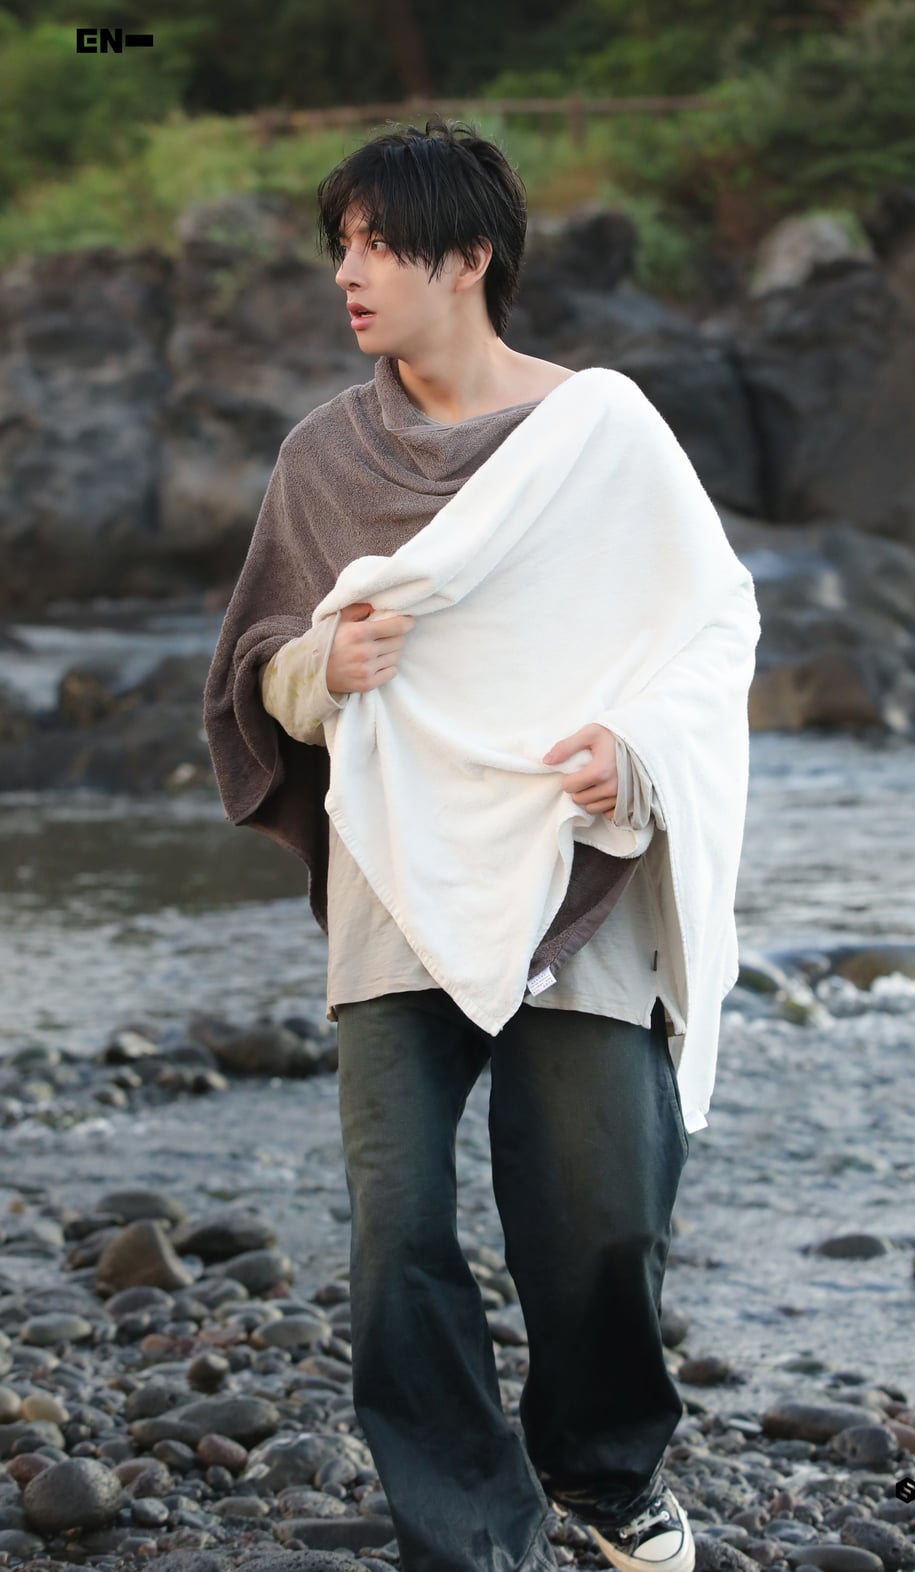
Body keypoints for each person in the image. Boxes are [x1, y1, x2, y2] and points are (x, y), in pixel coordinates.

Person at [203, 115, 745, 1572]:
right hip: (398, 868)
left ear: (469, 257)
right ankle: (467, 1534)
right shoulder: (327, 458)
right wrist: (319, 669)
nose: (349, 274)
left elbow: (712, 626)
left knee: (603, 1215)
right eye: (343, 246)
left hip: (577, 853)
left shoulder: (604, 434)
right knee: (398, 1229)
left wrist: (639, 749)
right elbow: (255, 666)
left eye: (380, 245)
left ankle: (606, 1472)